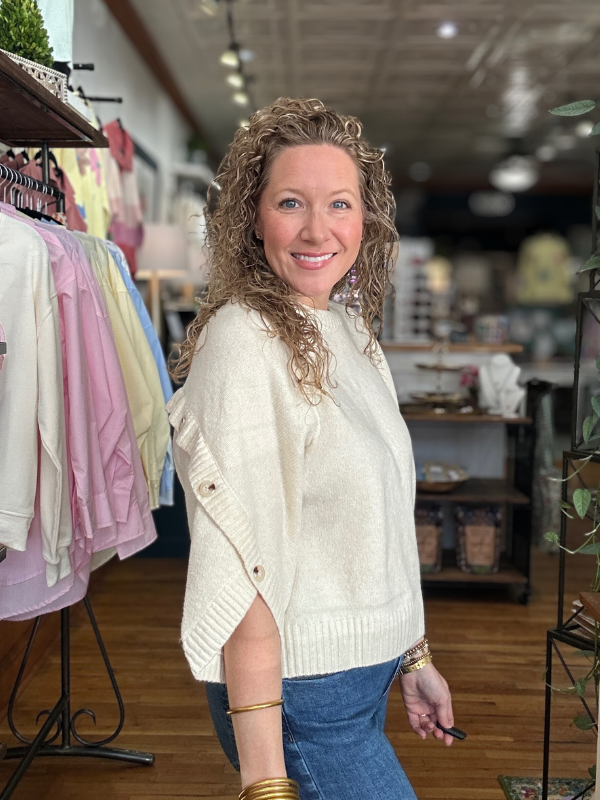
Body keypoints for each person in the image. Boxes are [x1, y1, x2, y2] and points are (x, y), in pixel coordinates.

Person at [168, 97, 454, 800]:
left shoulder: (349, 334)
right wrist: (265, 780)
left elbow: (378, 518)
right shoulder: (245, 341)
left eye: (340, 204)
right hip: (299, 701)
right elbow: (246, 571)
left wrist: (411, 656)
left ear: (367, 219)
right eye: (291, 202)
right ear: (252, 216)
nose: (317, 229)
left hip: (355, 687)